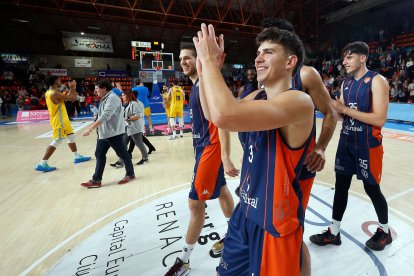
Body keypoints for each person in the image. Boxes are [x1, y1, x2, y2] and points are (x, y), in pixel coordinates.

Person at [194, 24, 314, 276]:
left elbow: (225, 115)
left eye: (268, 52)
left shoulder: (299, 101)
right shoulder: (258, 95)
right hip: (245, 211)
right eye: (258, 52)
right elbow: (213, 115)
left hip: (274, 221)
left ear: (290, 61)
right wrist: (205, 70)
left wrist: (210, 62)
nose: (258, 58)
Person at [258, 18, 338, 276]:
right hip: (270, 167)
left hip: (298, 168)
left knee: (293, 233)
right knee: (271, 233)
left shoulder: (306, 74)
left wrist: (321, 147)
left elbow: (331, 113)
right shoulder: (265, 79)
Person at [310, 41, 392, 251]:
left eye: (349, 57)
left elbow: (379, 119)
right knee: (341, 187)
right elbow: (339, 115)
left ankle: (385, 231)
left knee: (372, 188)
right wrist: (325, 107)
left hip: (368, 145)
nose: (344, 61)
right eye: (344, 57)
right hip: (346, 142)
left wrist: (344, 110)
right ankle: (334, 232)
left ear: (362, 58)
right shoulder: (346, 83)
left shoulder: (377, 81)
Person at [165, 44, 239, 275]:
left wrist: (225, 157)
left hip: (210, 149)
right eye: (181, 59)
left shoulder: (206, 83)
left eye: (188, 58)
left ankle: (184, 260)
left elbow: (222, 121)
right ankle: (236, 235)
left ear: (199, 60)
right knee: (223, 191)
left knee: (195, 204)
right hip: (203, 148)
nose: (183, 62)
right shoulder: (197, 84)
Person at [81, 79, 135, 188]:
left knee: (122, 154)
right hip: (104, 133)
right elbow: (102, 114)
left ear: (104, 88)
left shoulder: (113, 98)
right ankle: (96, 180)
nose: (96, 91)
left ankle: (130, 174)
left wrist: (90, 128)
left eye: (97, 89)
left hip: (113, 133)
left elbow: (105, 116)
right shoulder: (105, 98)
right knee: (99, 154)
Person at [34, 76, 91, 172]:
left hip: (63, 119)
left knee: (71, 136)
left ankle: (77, 156)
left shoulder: (50, 92)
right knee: (58, 140)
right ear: (55, 81)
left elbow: (68, 97)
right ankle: (42, 163)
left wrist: (70, 90)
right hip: (59, 121)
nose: (61, 81)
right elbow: (72, 97)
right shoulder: (54, 93)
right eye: (59, 80)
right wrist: (73, 87)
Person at [111, 91, 149, 166]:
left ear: (128, 95)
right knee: (123, 144)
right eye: (122, 95)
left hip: (135, 127)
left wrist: (126, 118)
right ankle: (121, 161)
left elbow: (137, 116)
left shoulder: (135, 104)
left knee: (139, 143)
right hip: (128, 127)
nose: (122, 97)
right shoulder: (127, 104)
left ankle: (145, 158)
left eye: (124, 95)